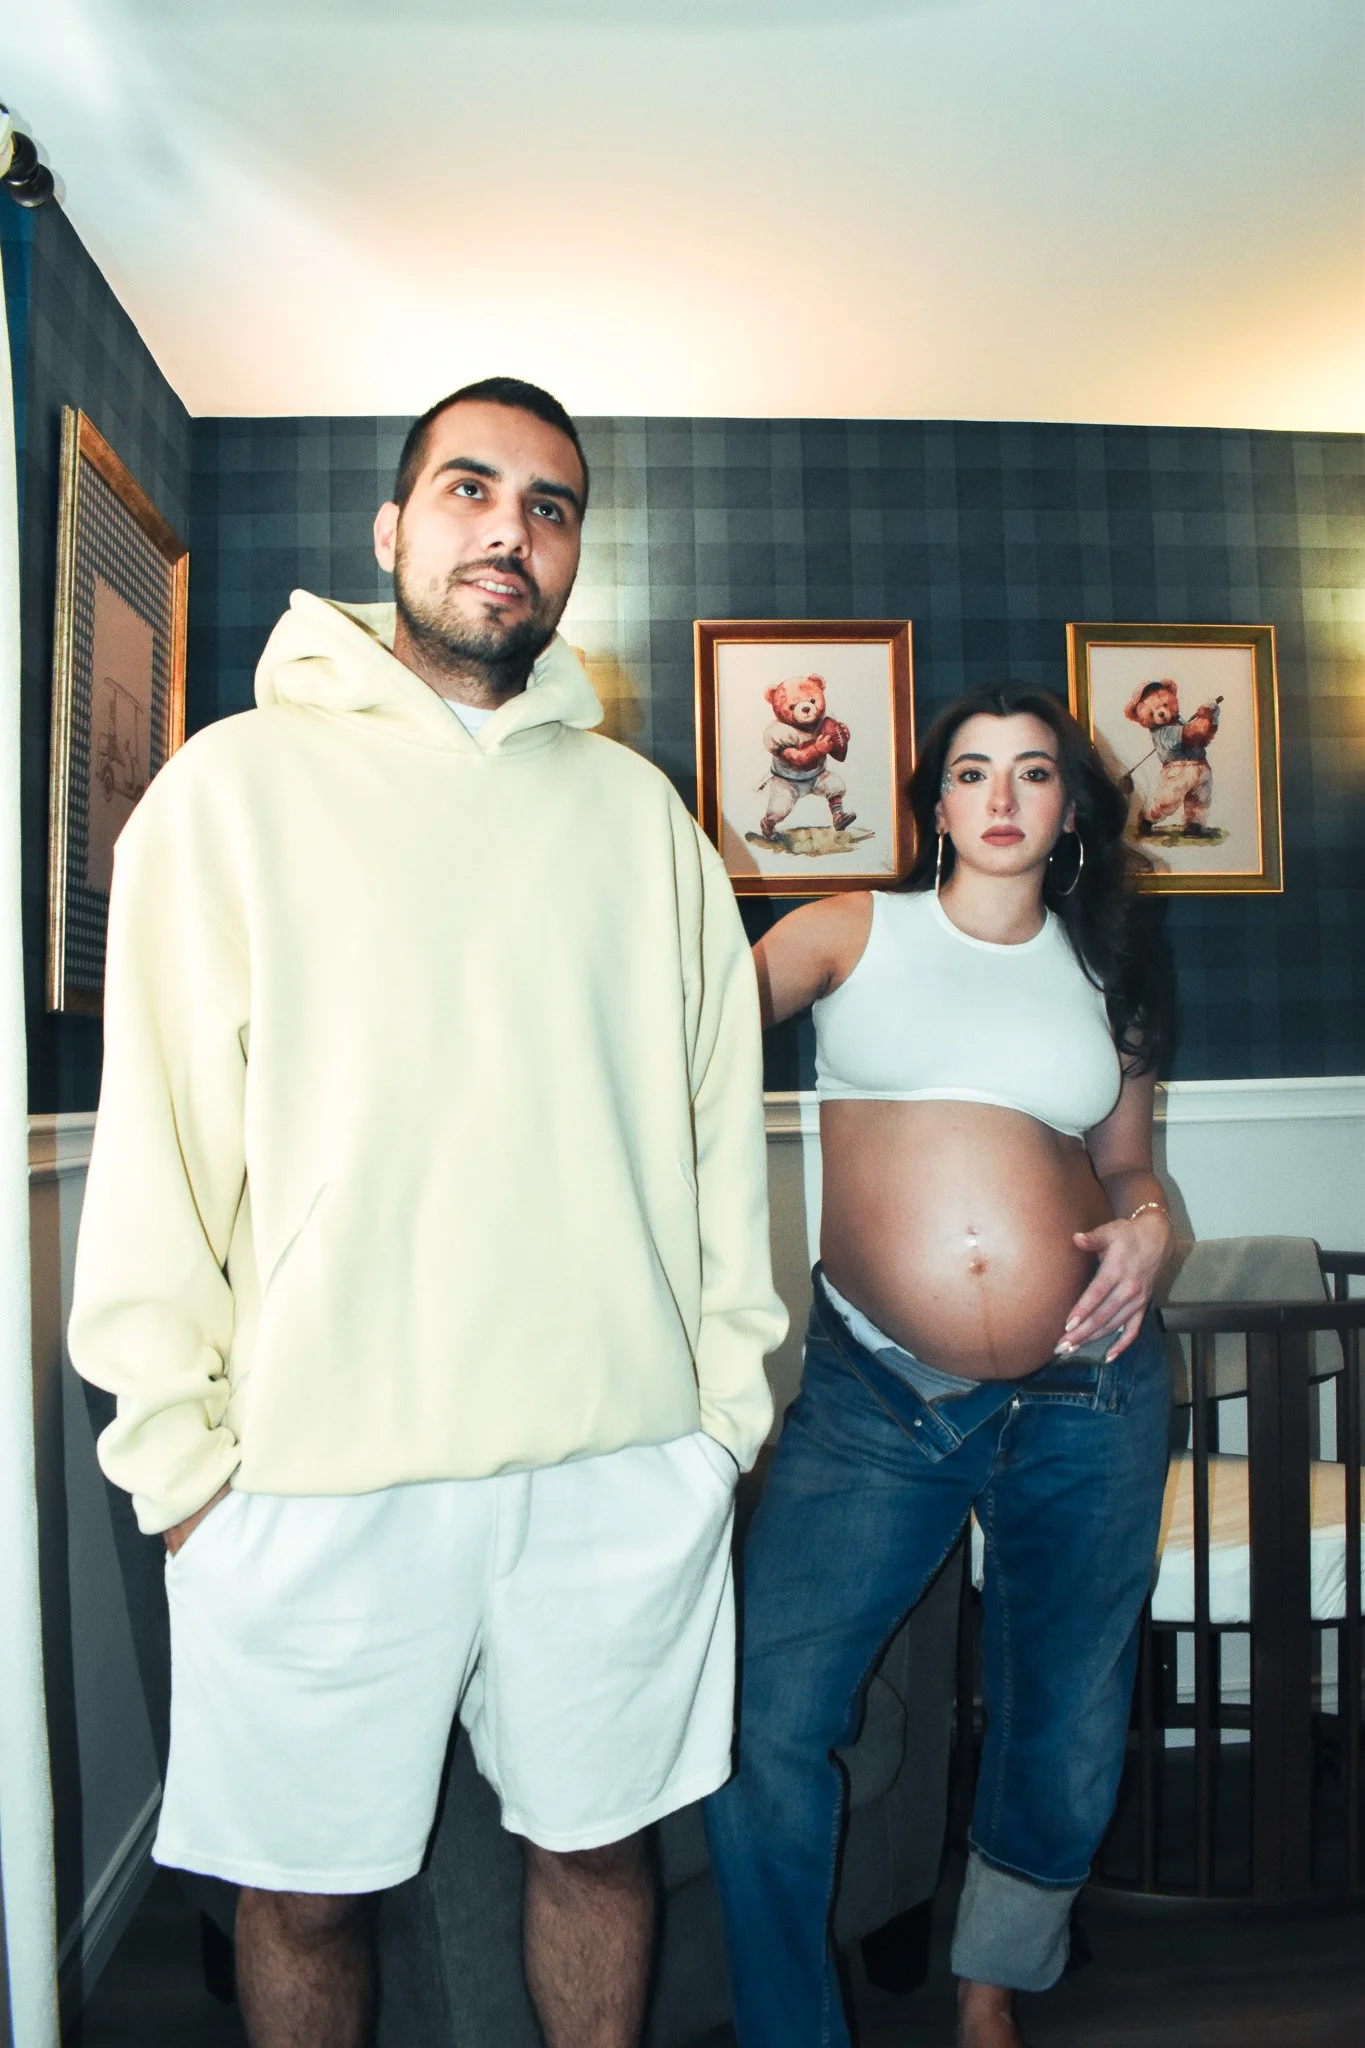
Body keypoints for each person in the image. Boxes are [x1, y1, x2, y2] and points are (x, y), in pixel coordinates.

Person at [69, 376, 786, 2048]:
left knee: (599, 1856)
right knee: (300, 1897)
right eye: (470, 490)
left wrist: (721, 1423)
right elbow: (161, 1144)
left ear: (571, 559)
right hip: (313, 1480)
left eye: (549, 506)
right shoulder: (228, 792)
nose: (510, 531)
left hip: (611, 1466)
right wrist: (185, 1475)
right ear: (392, 533)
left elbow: (714, 1151)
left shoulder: (645, 826)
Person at [704, 686, 1174, 2048]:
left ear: (1070, 812)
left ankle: (991, 1990)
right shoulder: (855, 929)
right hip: (878, 1399)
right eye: (972, 772)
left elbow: (1138, 1173)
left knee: (1064, 1718)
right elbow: (686, 1030)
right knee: (771, 1720)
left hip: (1093, 1391)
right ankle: (795, 2029)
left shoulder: (1113, 973)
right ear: (935, 806)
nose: (1004, 796)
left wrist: (1149, 1236)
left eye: (1035, 772)